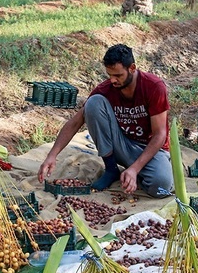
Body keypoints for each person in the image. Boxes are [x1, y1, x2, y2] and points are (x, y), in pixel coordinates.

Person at [37, 44, 173, 198]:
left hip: (151, 148)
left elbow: (160, 135)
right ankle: (111, 169)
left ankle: (138, 171)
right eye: (110, 75)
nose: (113, 80)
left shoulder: (153, 87)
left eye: (118, 75)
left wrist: (135, 168)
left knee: (160, 188)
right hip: (122, 144)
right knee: (93, 103)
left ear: (132, 68)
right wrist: (52, 155)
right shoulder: (106, 89)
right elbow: (75, 122)